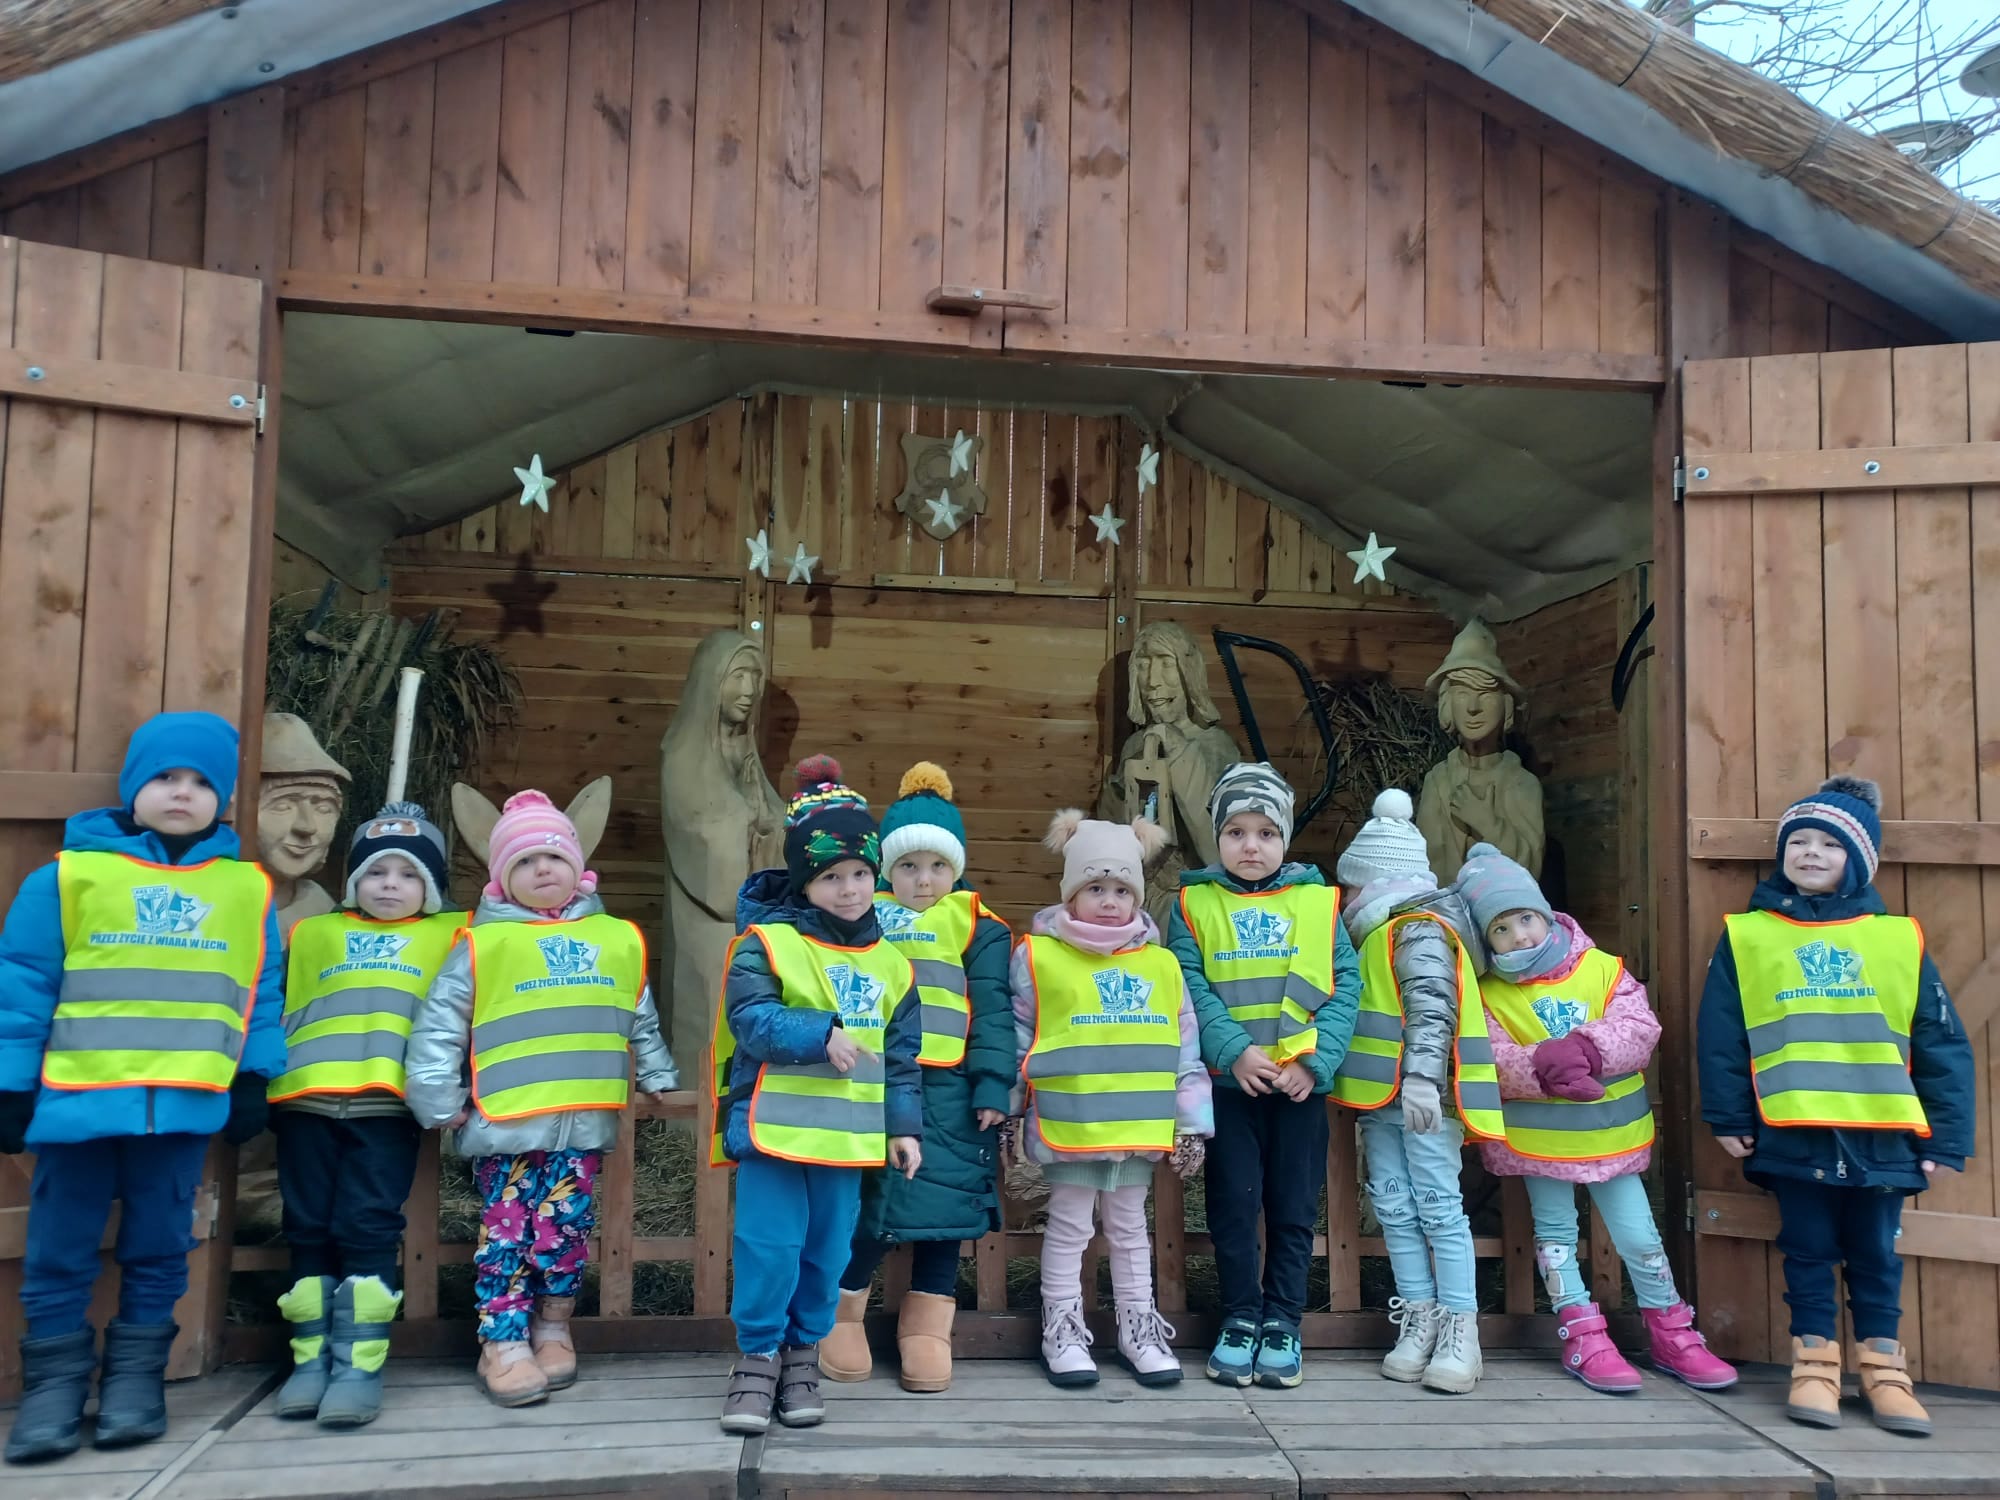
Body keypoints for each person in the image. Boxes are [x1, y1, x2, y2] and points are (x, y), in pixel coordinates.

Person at [0, 712, 285, 1465]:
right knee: (60, 1247)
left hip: (184, 1105)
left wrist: (255, 1077)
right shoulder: (67, 877)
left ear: (222, 799)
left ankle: (135, 1382)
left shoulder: (245, 890)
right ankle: (53, 1391)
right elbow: (21, 985)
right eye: (164, 777)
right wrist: (9, 1085)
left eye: (200, 782)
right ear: (133, 786)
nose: (182, 792)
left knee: (161, 1244)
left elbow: (261, 992)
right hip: (78, 1103)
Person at [1698, 776, 1974, 1437]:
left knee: (1876, 1255)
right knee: (1808, 1249)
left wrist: (1944, 1137)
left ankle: (1885, 1372)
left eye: (1830, 843)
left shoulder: (1896, 938)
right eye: (1799, 841)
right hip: (1793, 1129)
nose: (1812, 853)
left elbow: (1940, 1041)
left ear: (1860, 859)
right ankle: (1814, 1367)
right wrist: (1729, 1116)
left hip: (1881, 1131)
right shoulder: (1749, 936)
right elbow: (1721, 1033)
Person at [406, 787, 678, 1407]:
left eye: (554, 856)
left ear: (578, 866)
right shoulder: (482, 944)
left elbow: (638, 1012)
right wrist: (436, 1096)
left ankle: (552, 1326)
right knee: (506, 1235)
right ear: (502, 877)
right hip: (505, 1119)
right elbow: (440, 1024)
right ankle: (501, 1341)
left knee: (564, 1230)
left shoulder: (615, 938)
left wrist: (657, 1071)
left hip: (581, 1119)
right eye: (524, 861)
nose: (542, 869)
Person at [1456, 843, 1734, 1394]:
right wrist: (1541, 1065)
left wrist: (1587, 1049)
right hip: (1542, 1144)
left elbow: (1639, 1027)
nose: (1519, 937)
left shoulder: (1602, 969)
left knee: (1640, 1236)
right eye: (1500, 930)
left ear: (1545, 913)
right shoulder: (1486, 993)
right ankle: (1582, 1333)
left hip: (1611, 1135)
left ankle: (1671, 1331)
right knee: (1556, 1236)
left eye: (1525, 919)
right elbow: (1485, 1056)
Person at [713, 757, 924, 1435]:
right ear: (806, 881)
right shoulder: (767, 944)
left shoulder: (894, 964)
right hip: (775, 1133)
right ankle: (758, 1358)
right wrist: (819, 1033)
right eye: (832, 876)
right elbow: (750, 1018)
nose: (850, 888)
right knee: (768, 1246)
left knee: (827, 1252)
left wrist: (904, 1127)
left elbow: (901, 1056)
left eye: (860, 873)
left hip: (846, 1140)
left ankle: (803, 1354)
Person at [266, 801, 465, 1427]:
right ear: (352, 880)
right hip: (305, 1098)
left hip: (386, 1104)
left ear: (432, 887)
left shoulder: (455, 935)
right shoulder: (312, 932)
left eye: (409, 874)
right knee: (306, 1227)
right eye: (375, 872)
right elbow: (278, 1003)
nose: (390, 885)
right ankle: (308, 1362)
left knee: (367, 1226)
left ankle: (358, 1365)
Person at [821, 764, 1012, 1393]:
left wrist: (993, 1083)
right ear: (885, 869)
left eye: (936, 866)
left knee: (948, 1203)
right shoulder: (860, 915)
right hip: (869, 1080)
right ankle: (841, 1312)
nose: (923, 880)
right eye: (907, 866)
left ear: (956, 869)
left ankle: (928, 1328)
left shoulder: (979, 926)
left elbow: (993, 1008)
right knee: (867, 1201)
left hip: (952, 1086)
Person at [1168, 762, 1360, 1389]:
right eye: (1236, 832)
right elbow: (1187, 985)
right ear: (1216, 838)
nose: (1251, 846)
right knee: (1232, 1205)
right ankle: (1240, 1317)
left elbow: (1346, 986)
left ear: (1286, 837)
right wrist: (1233, 1050)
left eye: (1266, 833)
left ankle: (1282, 1320)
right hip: (1231, 1087)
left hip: (1298, 1086)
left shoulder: (1318, 902)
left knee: (1293, 1206)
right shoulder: (1193, 904)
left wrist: (1315, 1061)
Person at [1013, 810, 1212, 1390]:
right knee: (1069, 1227)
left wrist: (1190, 1123)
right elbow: (1020, 1036)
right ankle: (1062, 1330)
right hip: (1072, 1123)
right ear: (1071, 893)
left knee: (1129, 1229)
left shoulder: (1162, 964)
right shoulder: (1039, 956)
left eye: (1122, 890)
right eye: (1095, 887)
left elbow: (1185, 1049)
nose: (1109, 901)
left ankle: (1138, 1330)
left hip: (1136, 1124)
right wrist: (1009, 1111)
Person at [1332, 788, 1504, 1395]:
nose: (1346, 896)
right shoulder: (1382, 931)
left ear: (1373, 880)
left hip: (1420, 1096)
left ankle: (1461, 1327)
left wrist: (1424, 1078)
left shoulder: (1418, 930)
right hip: (1382, 1098)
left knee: (1437, 1206)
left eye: (1352, 884)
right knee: (1395, 1205)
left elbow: (1432, 1006)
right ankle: (1419, 1316)